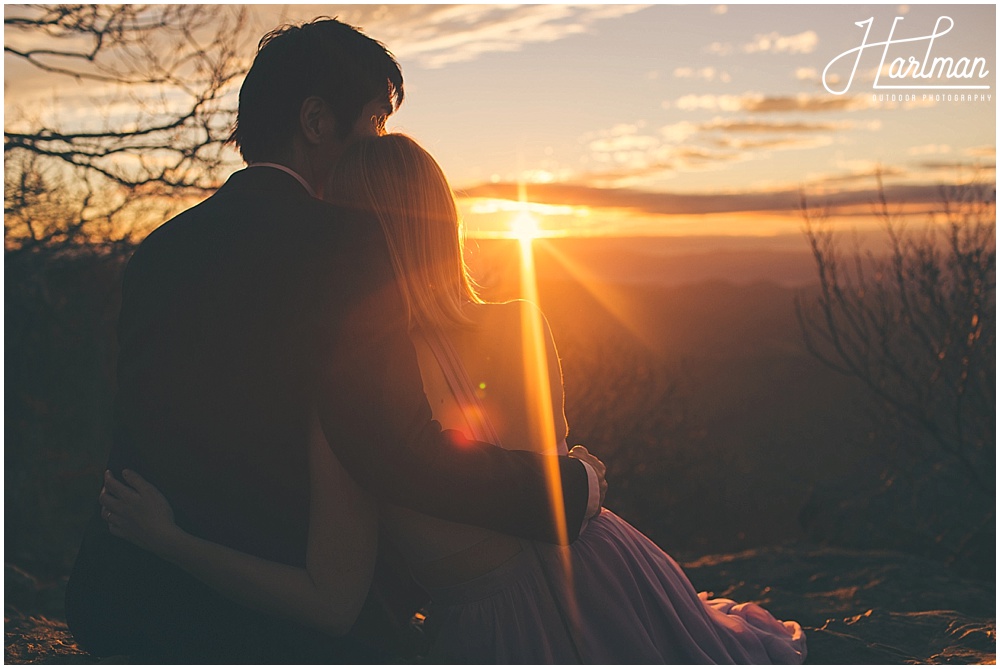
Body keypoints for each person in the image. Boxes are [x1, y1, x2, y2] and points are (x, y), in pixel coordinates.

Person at [100, 133, 808, 663]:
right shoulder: (511, 322)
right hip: (604, 581)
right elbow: (545, 494)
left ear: (339, 234)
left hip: (519, 619)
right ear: (443, 218)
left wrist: (174, 541)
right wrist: (582, 477)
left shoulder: (345, 387)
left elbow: (328, 599)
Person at [65, 19, 604, 664]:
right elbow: (396, 450)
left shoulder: (159, 250)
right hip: (263, 623)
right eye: (374, 123)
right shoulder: (347, 247)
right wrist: (567, 491)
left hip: (125, 597)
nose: (381, 144)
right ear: (317, 122)